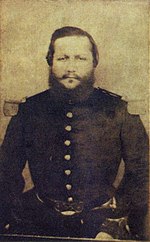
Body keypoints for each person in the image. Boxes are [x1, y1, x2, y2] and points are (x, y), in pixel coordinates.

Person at [0, 26, 149, 240]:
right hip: (37, 220)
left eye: (80, 58)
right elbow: (6, 174)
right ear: (50, 62)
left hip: (102, 221)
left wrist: (113, 225)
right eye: (62, 58)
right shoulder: (29, 110)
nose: (71, 67)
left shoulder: (120, 111)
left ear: (94, 62)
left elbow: (141, 173)